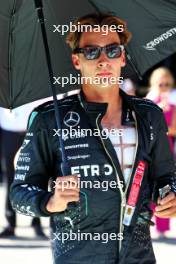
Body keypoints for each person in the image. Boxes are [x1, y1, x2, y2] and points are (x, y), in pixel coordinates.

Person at [10, 13, 176, 264]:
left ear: (122, 57)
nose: (102, 60)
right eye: (91, 52)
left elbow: (166, 177)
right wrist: (50, 202)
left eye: (112, 50)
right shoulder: (48, 119)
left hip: (139, 258)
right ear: (76, 60)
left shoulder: (149, 115)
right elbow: (19, 195)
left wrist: (170, 196)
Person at [0, 105, 46, 238]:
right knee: (9, 176)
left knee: (37, 176)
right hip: (9, 129)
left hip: (33, 129)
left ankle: (36, 221)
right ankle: (10, 223)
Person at [147, 67, 176, 237]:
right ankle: (146, 219)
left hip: (167, 149)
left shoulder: (173, 101)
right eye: (160, 83)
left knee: (164, 185)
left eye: (167, 83)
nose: (164, 86)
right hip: (150, 149)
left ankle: (162, 226)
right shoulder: (149, 101)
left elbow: (173, 129)